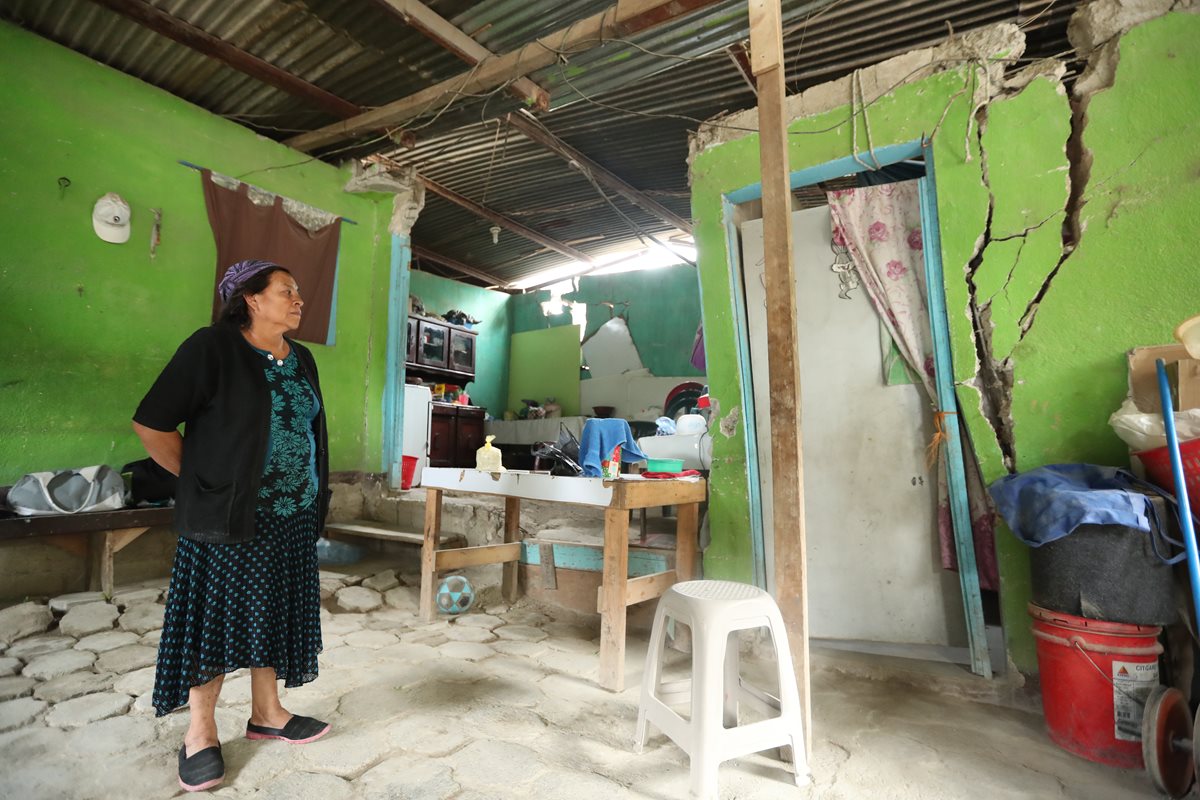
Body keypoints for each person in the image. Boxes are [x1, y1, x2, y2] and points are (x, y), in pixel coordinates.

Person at [132, 259, 332, 793]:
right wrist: (201, 480)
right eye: (286, 291)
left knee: (273, 612)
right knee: (215, 620)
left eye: (298, 292)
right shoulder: (212, 348)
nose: (298, 300)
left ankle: (268, 712)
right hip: (230, 516)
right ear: (251, 298)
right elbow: (151, 422)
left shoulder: (302, 358)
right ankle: (200, 733)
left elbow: (309, 429)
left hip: (292, 516)